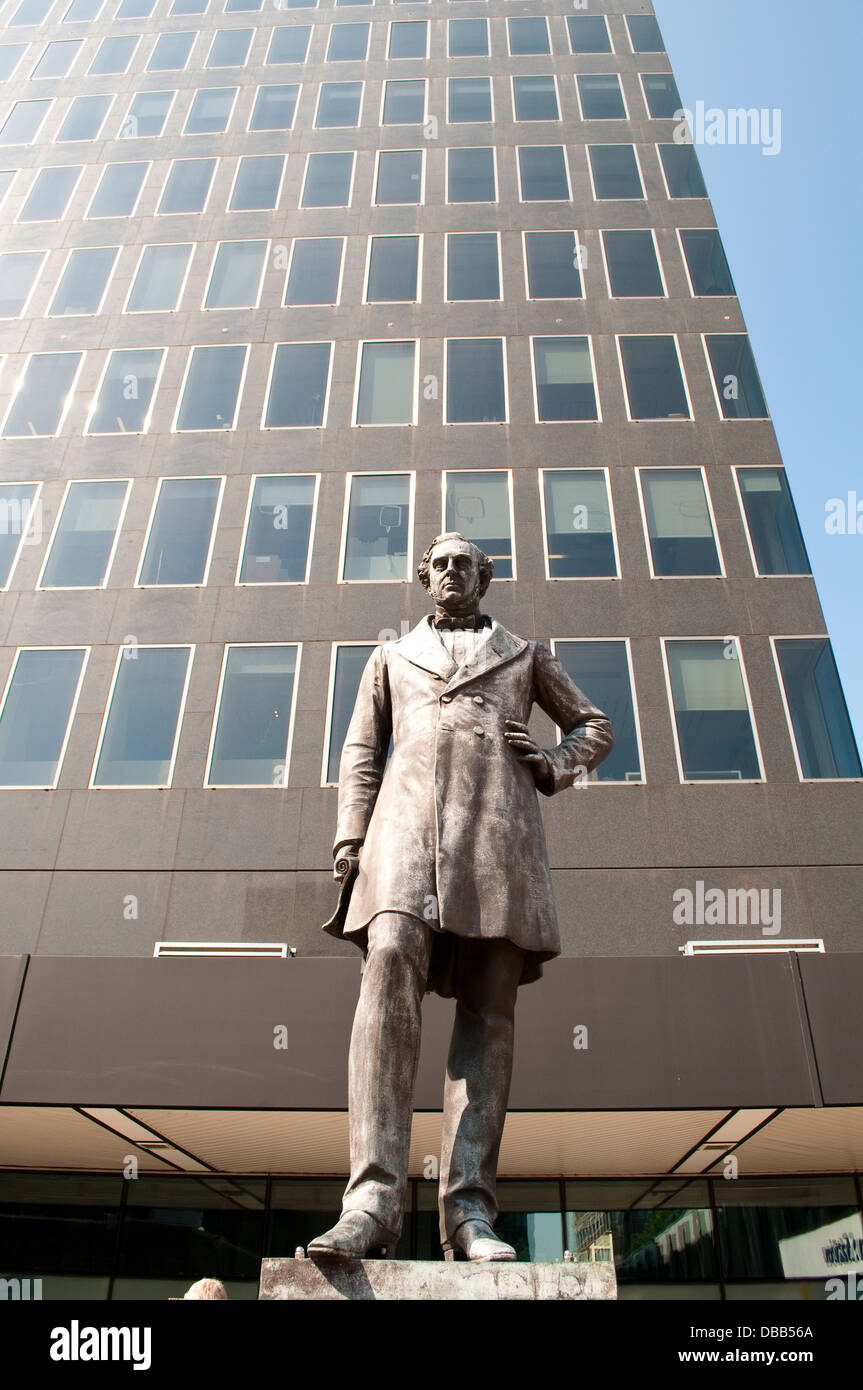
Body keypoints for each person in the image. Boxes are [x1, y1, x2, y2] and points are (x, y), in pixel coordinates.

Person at [309, 533, 614, 1262]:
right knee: (386, 969)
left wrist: (552, 763)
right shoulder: (388, 657)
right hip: (402, 837)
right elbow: (360, 750)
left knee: (489, 1008)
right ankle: (371, 1202)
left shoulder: (524, 653)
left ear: (484, 576)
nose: (451, 571)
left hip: (495, 840)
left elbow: (593, 726)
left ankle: (469, 1214)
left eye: (463, 562)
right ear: (423, 578)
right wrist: (348, 838)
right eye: (438, 562)